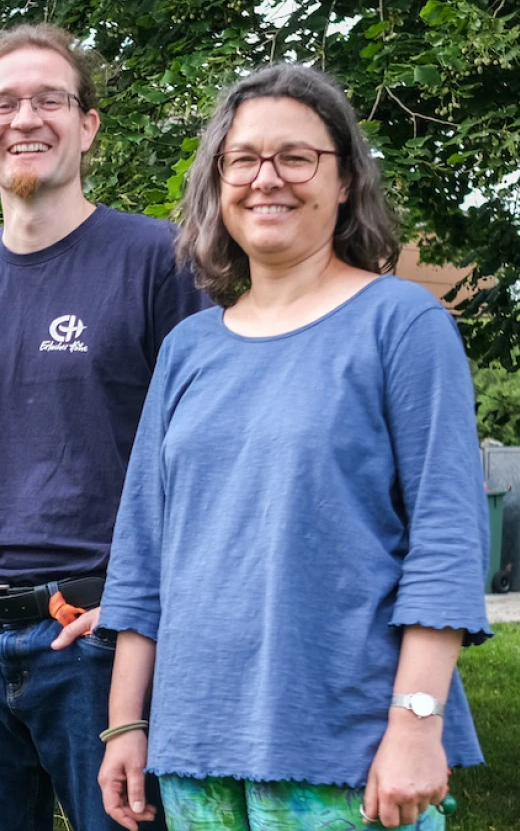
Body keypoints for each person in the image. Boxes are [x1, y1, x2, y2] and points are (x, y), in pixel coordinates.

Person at [97, 64, 491, 831]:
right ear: (218, 182)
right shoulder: (188, 348)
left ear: (344, 180)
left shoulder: (401, 324)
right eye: (242, 159)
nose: (265, 178)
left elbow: (447, 539)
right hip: (195, 749)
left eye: (296, 157)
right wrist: (126, 723)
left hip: (346, 749)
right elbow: (144, 552)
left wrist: (417, 723)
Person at [0, 24, 204, 831]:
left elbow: (198, 454)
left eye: (48, 100)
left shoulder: (158, 260)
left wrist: (145, 607)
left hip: (98, 636)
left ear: (88, 125)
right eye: (3, 104)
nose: (24, 118)